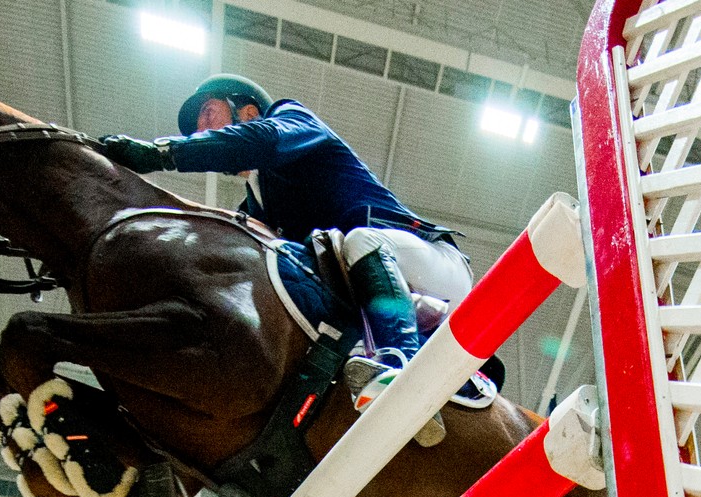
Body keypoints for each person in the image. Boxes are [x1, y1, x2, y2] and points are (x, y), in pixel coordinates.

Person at [97, 75, 489, 421]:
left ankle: (399, 363)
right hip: (378, 291)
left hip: (432, 265)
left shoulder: (291, 120)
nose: (199, 130)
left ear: (249, 112)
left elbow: (262, 141)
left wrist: (162, 153)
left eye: (208, 115)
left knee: (360, 241)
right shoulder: (256, 207)